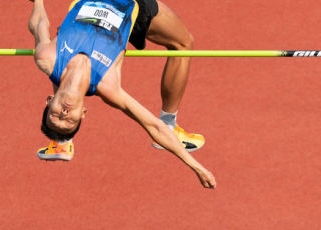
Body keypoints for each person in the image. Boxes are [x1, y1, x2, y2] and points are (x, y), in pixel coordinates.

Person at [28, 0, 216, 188]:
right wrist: (197, 167)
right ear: (83, 113)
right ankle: (170, 123)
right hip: (131, 5)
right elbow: (154, 127)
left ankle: (63, 141)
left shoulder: (47, 58)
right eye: (69, 121)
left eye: (55, 115)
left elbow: (39, 24)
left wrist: (38, 2)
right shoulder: (108, 85)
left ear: (49, 100)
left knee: (63, 80)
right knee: (183, 42)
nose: (64, 114)